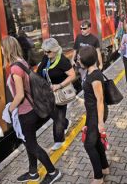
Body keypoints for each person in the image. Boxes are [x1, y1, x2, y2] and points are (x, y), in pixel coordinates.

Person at [2, 36, 61, 183]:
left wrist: (10, 108)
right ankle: (33, 172)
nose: (1, 50)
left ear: (6, 49)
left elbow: (20, 94)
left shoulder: (15, 68)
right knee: (29, 142)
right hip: (31, 109)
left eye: (2, 48)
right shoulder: (21, 62)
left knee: (31, 145)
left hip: (26, 112)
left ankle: (53, 172)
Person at [37, 38, 75, 151]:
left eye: (48, 51)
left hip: (59, 93)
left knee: (58, 117)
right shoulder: (46, 58)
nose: (45, 53)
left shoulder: (62, 61)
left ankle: (59, 140)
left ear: (55, 50)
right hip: (47, 92)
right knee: (52, 114)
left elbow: (72, 75)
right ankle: (66, 123)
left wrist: (59, 85)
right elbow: (39, 71)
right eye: (44, 51)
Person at [78, 46, 109, 184]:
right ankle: (104, 167)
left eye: (79, 59)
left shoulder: (95, 77)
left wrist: (100, 123)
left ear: (86, 61)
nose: (78, 60)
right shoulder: (90, 73)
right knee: (95, 142)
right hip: (92, 113)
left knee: (89, 145)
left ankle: (98, 177)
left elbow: (100, 100)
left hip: (96, 114)